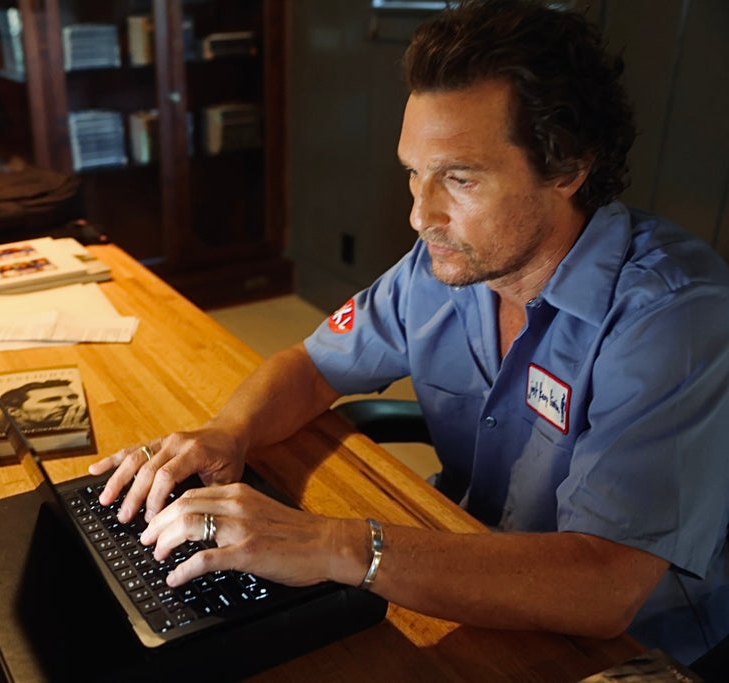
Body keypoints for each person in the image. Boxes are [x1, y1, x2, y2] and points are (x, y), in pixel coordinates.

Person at [89, 0, 729, 665]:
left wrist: (335, 544)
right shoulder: (443, 267)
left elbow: (605, 587)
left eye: (460, 178)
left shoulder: (673, 316)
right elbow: (312, 365)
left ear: (567, 168)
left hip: (630, 648)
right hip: (465, 560)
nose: (421, 215)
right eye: (414, 174)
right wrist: (229, 432)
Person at [0, 379, 87, 437]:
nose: (68, 403)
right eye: (51, 400)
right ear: (13, 411)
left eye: (72, 397)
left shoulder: (85, 421)